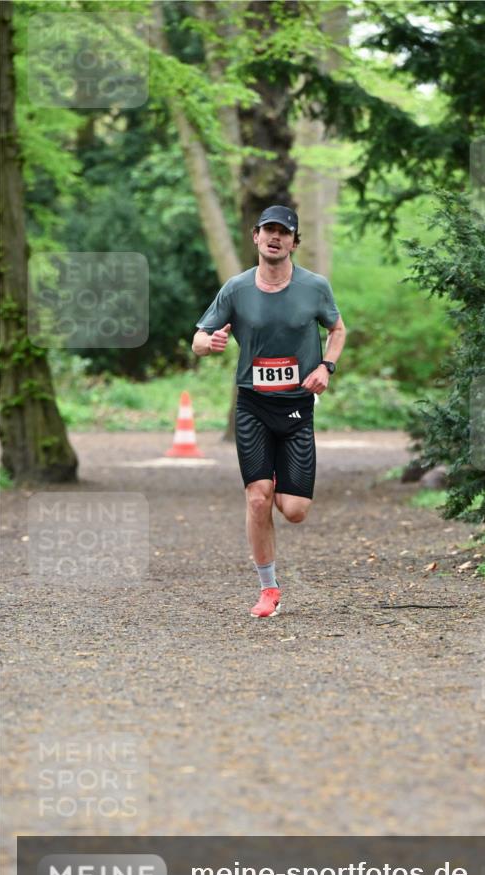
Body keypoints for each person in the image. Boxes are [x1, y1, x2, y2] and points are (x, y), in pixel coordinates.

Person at [192, 205, 347, 618]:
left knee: (294, 511)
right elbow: (198, 340)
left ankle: (277, 477)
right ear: (256, 237)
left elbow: (337, 329)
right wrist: (211, 344)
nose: (275, 237)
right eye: (268, 231)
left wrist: (325, 367)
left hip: (296, 406)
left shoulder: (315, 287)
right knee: (258, 499)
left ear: (294, 242)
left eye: (284, 232)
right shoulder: (237, 289)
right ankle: (269, 589)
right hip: (253, 405)